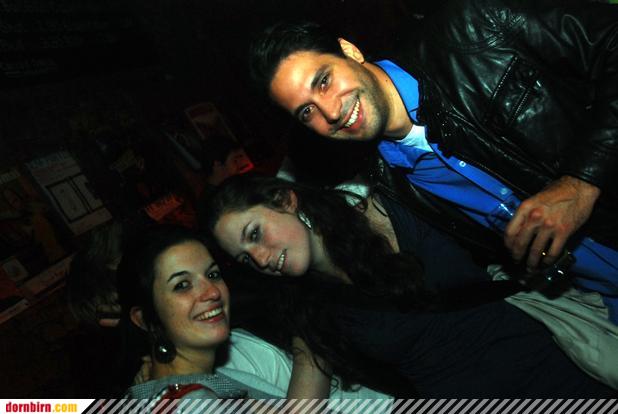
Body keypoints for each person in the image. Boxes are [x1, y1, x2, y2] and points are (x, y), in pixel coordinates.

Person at [247, 1, 618, 323]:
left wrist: (580, 183)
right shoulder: (393, 182)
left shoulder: (475, 26)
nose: (330, 112)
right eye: (306, 111)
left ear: (350, 51)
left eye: (324, 81)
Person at [204, 174, 615, 397]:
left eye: (255, 234)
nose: (260, 259)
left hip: (551, 371)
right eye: (246, 258)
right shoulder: (310, 309)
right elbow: (305, 396)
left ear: (285, 200)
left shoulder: (390, 206)